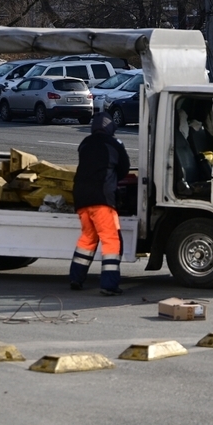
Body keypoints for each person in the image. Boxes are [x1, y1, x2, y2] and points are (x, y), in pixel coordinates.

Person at [68, 111, 131, 295]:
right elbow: (124, 168)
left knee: (87, 238)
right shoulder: (114, 144)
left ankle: (75, 278)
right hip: (102, 198)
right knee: (111, 240)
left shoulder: (85, 143)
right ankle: (109, 285)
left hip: (81, 198)